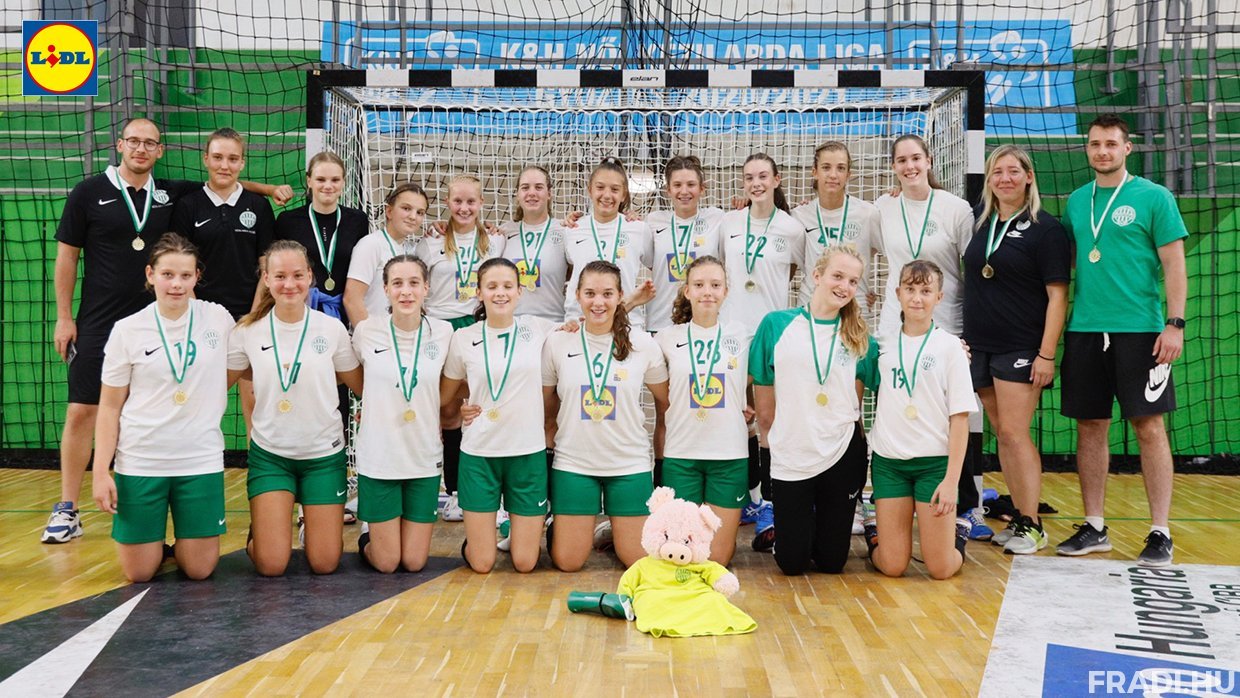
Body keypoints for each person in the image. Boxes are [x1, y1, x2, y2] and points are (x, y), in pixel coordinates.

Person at [45, 117, 291, 544]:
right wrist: (64, 316)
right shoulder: (88, 192)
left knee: (230, 401)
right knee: (84, 409)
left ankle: (245, 507)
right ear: (120, 144)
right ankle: (67, 507)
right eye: (134, 141)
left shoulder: (170, 192)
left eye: (149, 143)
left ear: (160, 151)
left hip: (167, 317)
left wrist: (268, 190)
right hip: (101, 318)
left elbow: (226, 181)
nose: (141, 149)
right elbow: (66, 258)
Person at [1055, 114, 1188, 567]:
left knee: (1148, 426)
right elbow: (1074, 261)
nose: (1102, 151)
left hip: (1142, 331)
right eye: (1095, 144)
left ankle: (1160, 531)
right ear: (1087, 149)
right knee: (1090, 426)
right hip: (1086, 330)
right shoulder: (1077, 201)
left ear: (1127, 148)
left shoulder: (1154, 197)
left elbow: (1173, 264)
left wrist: (1174, 324)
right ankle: (1094, 525)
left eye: (1111, 144)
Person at [91, 233, 236, 582]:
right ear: (150, 274)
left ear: (197, 276)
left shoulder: (218, 318)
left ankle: (178, 544)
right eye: (168, 274)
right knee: (139, 573)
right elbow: (109, 407)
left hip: (199, 459)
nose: (176, 284)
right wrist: (99, 472)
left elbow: (242, 364)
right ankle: (154, 545)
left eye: (185, 275)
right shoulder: (127, 330)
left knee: (200, 570)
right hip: (142, 460)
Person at [868, 134, 991, 541]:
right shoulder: (883, 208)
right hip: (895, 325)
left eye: (916, 158)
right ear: (893, 167)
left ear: (929, 160)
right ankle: (888, 501)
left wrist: (970, 329)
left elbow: (973, 267)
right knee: (896, 403)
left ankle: (966, 504)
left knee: (955, 413)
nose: (909, 166)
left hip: (946, 321)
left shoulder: (955, 208)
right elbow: (867, 250)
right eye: (901, 160)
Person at [227, 240, 363, 576]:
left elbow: (361, 385)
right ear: (266, 279)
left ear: (310, 277)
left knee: (325, 563)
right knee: (271, 565)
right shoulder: (247, 331)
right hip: (272, 456)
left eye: (298, 275)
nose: (289, 284)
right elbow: (215, 386)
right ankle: (263, 531)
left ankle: (314, 530)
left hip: (323, 455)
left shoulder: (331, 329)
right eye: (280, 276)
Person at [962, 145, 1070, 554]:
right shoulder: (981, 220)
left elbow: (1057, 297)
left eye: (1013, 171)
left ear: (1028, 176)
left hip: (1021, 345)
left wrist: (1046, 354)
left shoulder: (1046, 229)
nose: (1004, 178)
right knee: (1003, 435)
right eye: (997, 172)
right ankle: (1022, 518)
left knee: (1014, 432)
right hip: (981, 345)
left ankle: (1033, 524)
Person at [750, 248, 877, 575]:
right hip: (793, 454)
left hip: (841, 453)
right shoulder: (776, 325)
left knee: (832, 562)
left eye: (853, 281)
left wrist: (954, 351)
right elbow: (764, 407)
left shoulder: (861, 338)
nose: (845, 286)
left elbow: (871, 391)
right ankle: (792, 529)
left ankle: (840, 522)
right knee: (791, 564)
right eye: (838, 276)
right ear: (817, 276)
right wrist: (770, 449)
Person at [543, 260, 670, 571]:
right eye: (590, 293)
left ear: (620, 296)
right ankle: (560, 524)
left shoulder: (643, 344)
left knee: (637, 561)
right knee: (568, 562)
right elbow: (545, 405)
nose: (598, 302)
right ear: (577, 295)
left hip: (628, 462)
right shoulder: (558, 341)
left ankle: (614, 530)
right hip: (574, 463)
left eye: (607, 294)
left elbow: (666, 401)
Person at [441, 258, 559, 573]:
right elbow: (445, 393)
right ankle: (478, 540)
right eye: (491, 286)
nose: (500, 293)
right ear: (479, 292)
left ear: (520, 291)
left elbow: (589, 325)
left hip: (527, 453)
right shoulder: (463, 338)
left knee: (525, 563)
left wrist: (632, 301)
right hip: (480, 453)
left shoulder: (539, 328)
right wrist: (463, 404)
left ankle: (516, 530)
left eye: (508, 286)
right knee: (482, 564)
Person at [864, 260, 975, 580]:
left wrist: (952, 481)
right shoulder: (880, 346)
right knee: (893, 566)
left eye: (926, 291)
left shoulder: (951, 348)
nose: (917, 298)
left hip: (934, 467)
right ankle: (875, 533)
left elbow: (960, 419)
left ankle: (959, 531)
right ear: (898, 293)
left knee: (940, 569)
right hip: (890, 464)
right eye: (910, 289)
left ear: (939, 297)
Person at [718, 152, 805, 553]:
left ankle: (770, 503)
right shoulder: (729, 223)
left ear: (776, 180)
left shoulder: (792, 228)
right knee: (734, 418)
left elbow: (799, 273)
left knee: (769, 419)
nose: (756, 183)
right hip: (733, 333)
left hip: (772, 333)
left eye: (763, 176)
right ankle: (745, 497)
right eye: (749, 177)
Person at [351, 255, 453, 573]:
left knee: (413, 562)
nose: (406, 291)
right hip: (380, 458)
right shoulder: (366, 331)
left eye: (413, 283)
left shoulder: (445, 332)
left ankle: (385, 530)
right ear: (385, 289)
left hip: (423, 457)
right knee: (387, 562)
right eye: (397, 283)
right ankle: (368, 534)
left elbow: (457, 381)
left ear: (426, 288)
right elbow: (356, 380)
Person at [172, 127, 276, 440]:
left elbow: (266, 266)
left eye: (232, 159)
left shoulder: (258, 206)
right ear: (205, 159)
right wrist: (197, 313)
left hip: (249, 316)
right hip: (201, 318)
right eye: (217, 157)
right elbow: (181, 266)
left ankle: (259, 464)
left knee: (255, 398)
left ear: (242, 163)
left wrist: (254, 316)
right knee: (197, 396)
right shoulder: (188, 206)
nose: (224, 165)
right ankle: (193, 458)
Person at [418, 175, 506, 522]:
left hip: (479, 326)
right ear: (447, 203)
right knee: (447, 411)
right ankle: (452, 490)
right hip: (441, 329)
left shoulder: (496, 241)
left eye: (471, 201)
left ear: (481, 203)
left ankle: (494, 492)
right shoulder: (431, 242)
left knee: (487, 404)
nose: (464, 208)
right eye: (458, 201)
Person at [653, 256, 749, 565]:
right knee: (681, 555)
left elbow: (756, 376)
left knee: (716, 558)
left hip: (729, 456)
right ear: (687, 291)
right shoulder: (666, 338)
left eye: (715, 285)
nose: (707, 291)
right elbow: (619, 338)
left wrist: (743, 402)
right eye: (699, 285)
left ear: (726, 291)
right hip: (682, 455)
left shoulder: (742, 335)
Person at [273, 151, 370, 322]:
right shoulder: (288, 220)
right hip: (299, 312)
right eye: (321, 179)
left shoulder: (357, 220)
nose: (328, 186)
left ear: (344, 182)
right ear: (309, 181)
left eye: (335, 180)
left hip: (343, 314)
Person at [563, 157, 655, 322]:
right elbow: (566, 273)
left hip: (626, 320)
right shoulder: (572, 229)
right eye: (600, 187)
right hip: (580, 321)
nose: (606, 195)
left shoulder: (639, 229)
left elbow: (658, 268)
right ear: (590, 189)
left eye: (614, 189)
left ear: (623, 194)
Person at [790, 141, 879, 310]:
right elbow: (791, 262)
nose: (833, 175)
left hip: (854, 310)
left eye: (840, 168)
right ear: (815, 172)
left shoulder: (868, 214)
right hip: (811, 308)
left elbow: (893, 253)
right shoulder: (799, 216)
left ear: (848, 174)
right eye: (826, 167)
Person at [344, 182, 428, 325]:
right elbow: (351, 300)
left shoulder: (413, 251)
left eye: (420, 212)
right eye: (406, 208)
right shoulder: (371, 244)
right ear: (389, 211)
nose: (413, 216)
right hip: (375, 335)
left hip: (403, 335)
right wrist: (368, 336)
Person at [500, 166, 571, 323]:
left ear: (549, 193)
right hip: (513, 324)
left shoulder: (564, 230)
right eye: (525, 188)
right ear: (518, 194)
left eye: (538, 187)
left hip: (553, 324)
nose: (531, 193)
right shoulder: (503, 233)